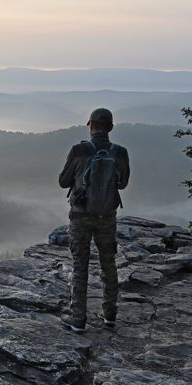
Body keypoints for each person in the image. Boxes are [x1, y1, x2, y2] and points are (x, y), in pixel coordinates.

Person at [58, 108, 130, 332]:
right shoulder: (119, 152)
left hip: (80, 216)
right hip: (107, 216)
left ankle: (78, 318)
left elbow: (63, 181)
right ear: (110, 128)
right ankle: (110, 315)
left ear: (90, 125)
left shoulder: (79, 150)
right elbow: (123, 183)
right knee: (108, 262)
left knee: (80, 264)